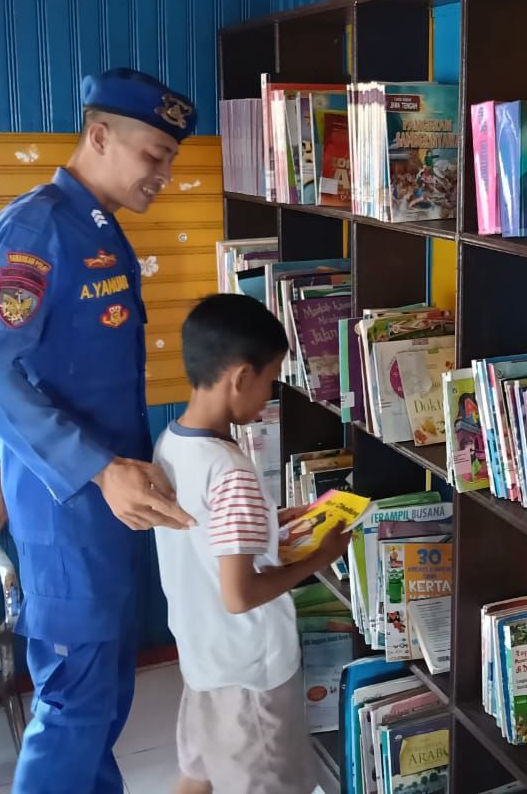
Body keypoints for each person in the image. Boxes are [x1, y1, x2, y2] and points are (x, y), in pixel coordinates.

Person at [0, 67, 200, 794]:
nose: (164, 174)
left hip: (98, 503)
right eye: (154, 154)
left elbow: (37, 369)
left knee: (103, 703)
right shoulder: (39, 228)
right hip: (73, 511)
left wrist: (8, 458)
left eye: (171, 159)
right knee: (74, 708)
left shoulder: (95, 225)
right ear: (99, 135)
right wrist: (89, 468)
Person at [153, 293, 352, 794]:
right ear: (241, 377)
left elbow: (208, 536)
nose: (269, 394)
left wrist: (271, 522)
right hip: (251, 673)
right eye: (270, 380)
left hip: (203, 657)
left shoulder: (171, 445)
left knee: (197, 775)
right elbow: (239, 595)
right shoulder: (231, 471)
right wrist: (320, 558)